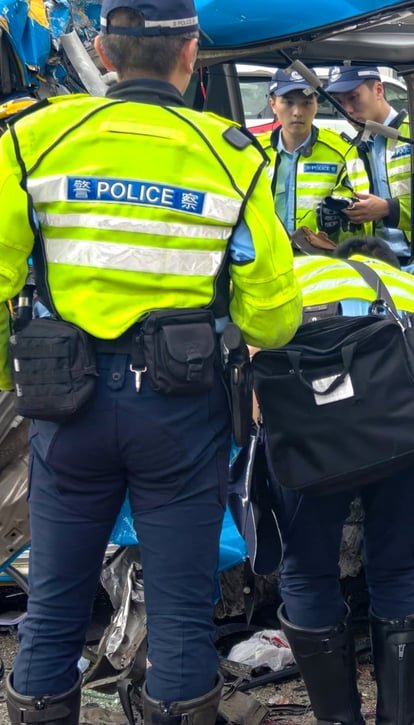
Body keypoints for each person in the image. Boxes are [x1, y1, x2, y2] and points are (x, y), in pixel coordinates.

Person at [0, 0, 302, 721]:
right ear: (190, 53)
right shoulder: (234, 156)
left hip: (65, 411)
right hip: (179, 415)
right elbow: (274, 316)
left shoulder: (32, 141)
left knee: (52, 611)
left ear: (103, 51)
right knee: (181, 620)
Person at [272, 237, 414, 725]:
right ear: (395, 267)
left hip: (311, 427)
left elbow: (252, 373)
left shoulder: (296, 279)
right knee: (397, 570)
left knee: (307, 573)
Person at [258, 68, 365, 242]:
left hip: (321, 259)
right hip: (267, 256)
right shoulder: (254, 151)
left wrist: (341, 222)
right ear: (273, 104)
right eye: (288, 102)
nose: (297, 112)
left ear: (316, 105)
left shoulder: (343, 152)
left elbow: (365, 219)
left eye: (306, 103)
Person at [326, 66, 414, 260]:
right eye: (340, 102)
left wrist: (388, 209)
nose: (347, 110)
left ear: (379, 90)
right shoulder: (353, 149)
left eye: (353, 98)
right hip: (373, 261)